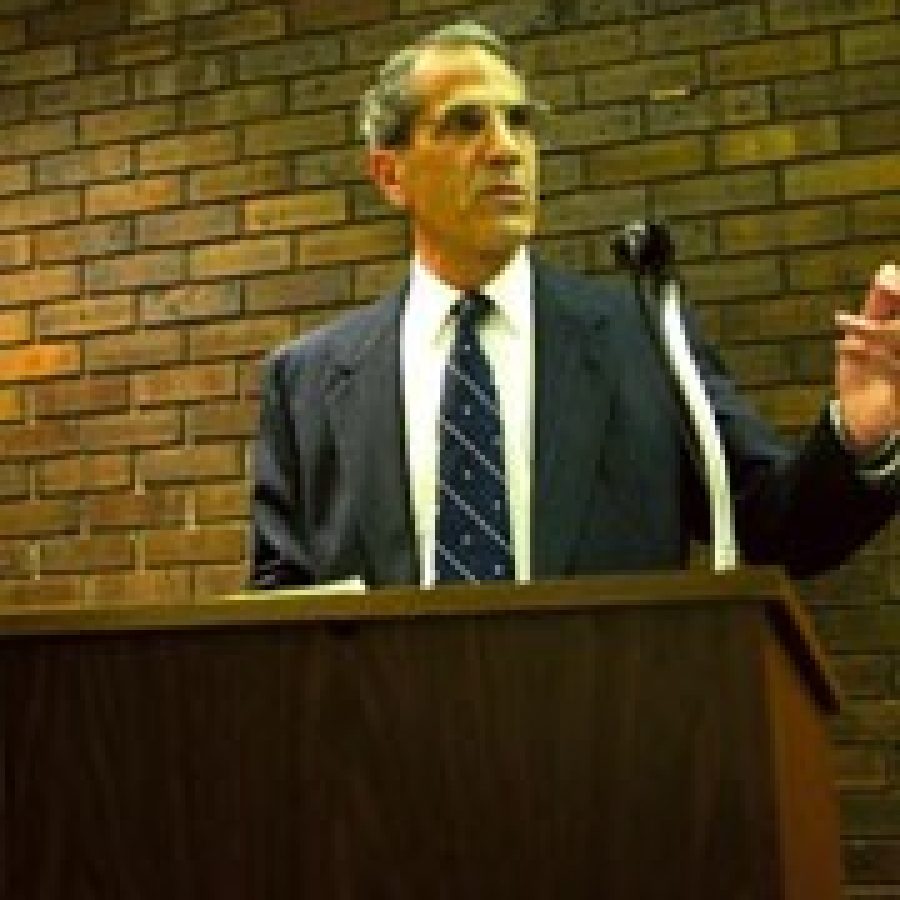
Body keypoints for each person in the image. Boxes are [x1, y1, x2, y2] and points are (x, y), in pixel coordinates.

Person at [251, 20, 897, 590]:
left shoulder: (641, 337)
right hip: (395, 726)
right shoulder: (307, 380)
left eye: (520, 121)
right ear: (390, 175)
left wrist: (858, 435)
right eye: (466, 123)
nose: (506, 148)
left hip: (606, 719)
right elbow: (281, 614)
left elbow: (773, 525)